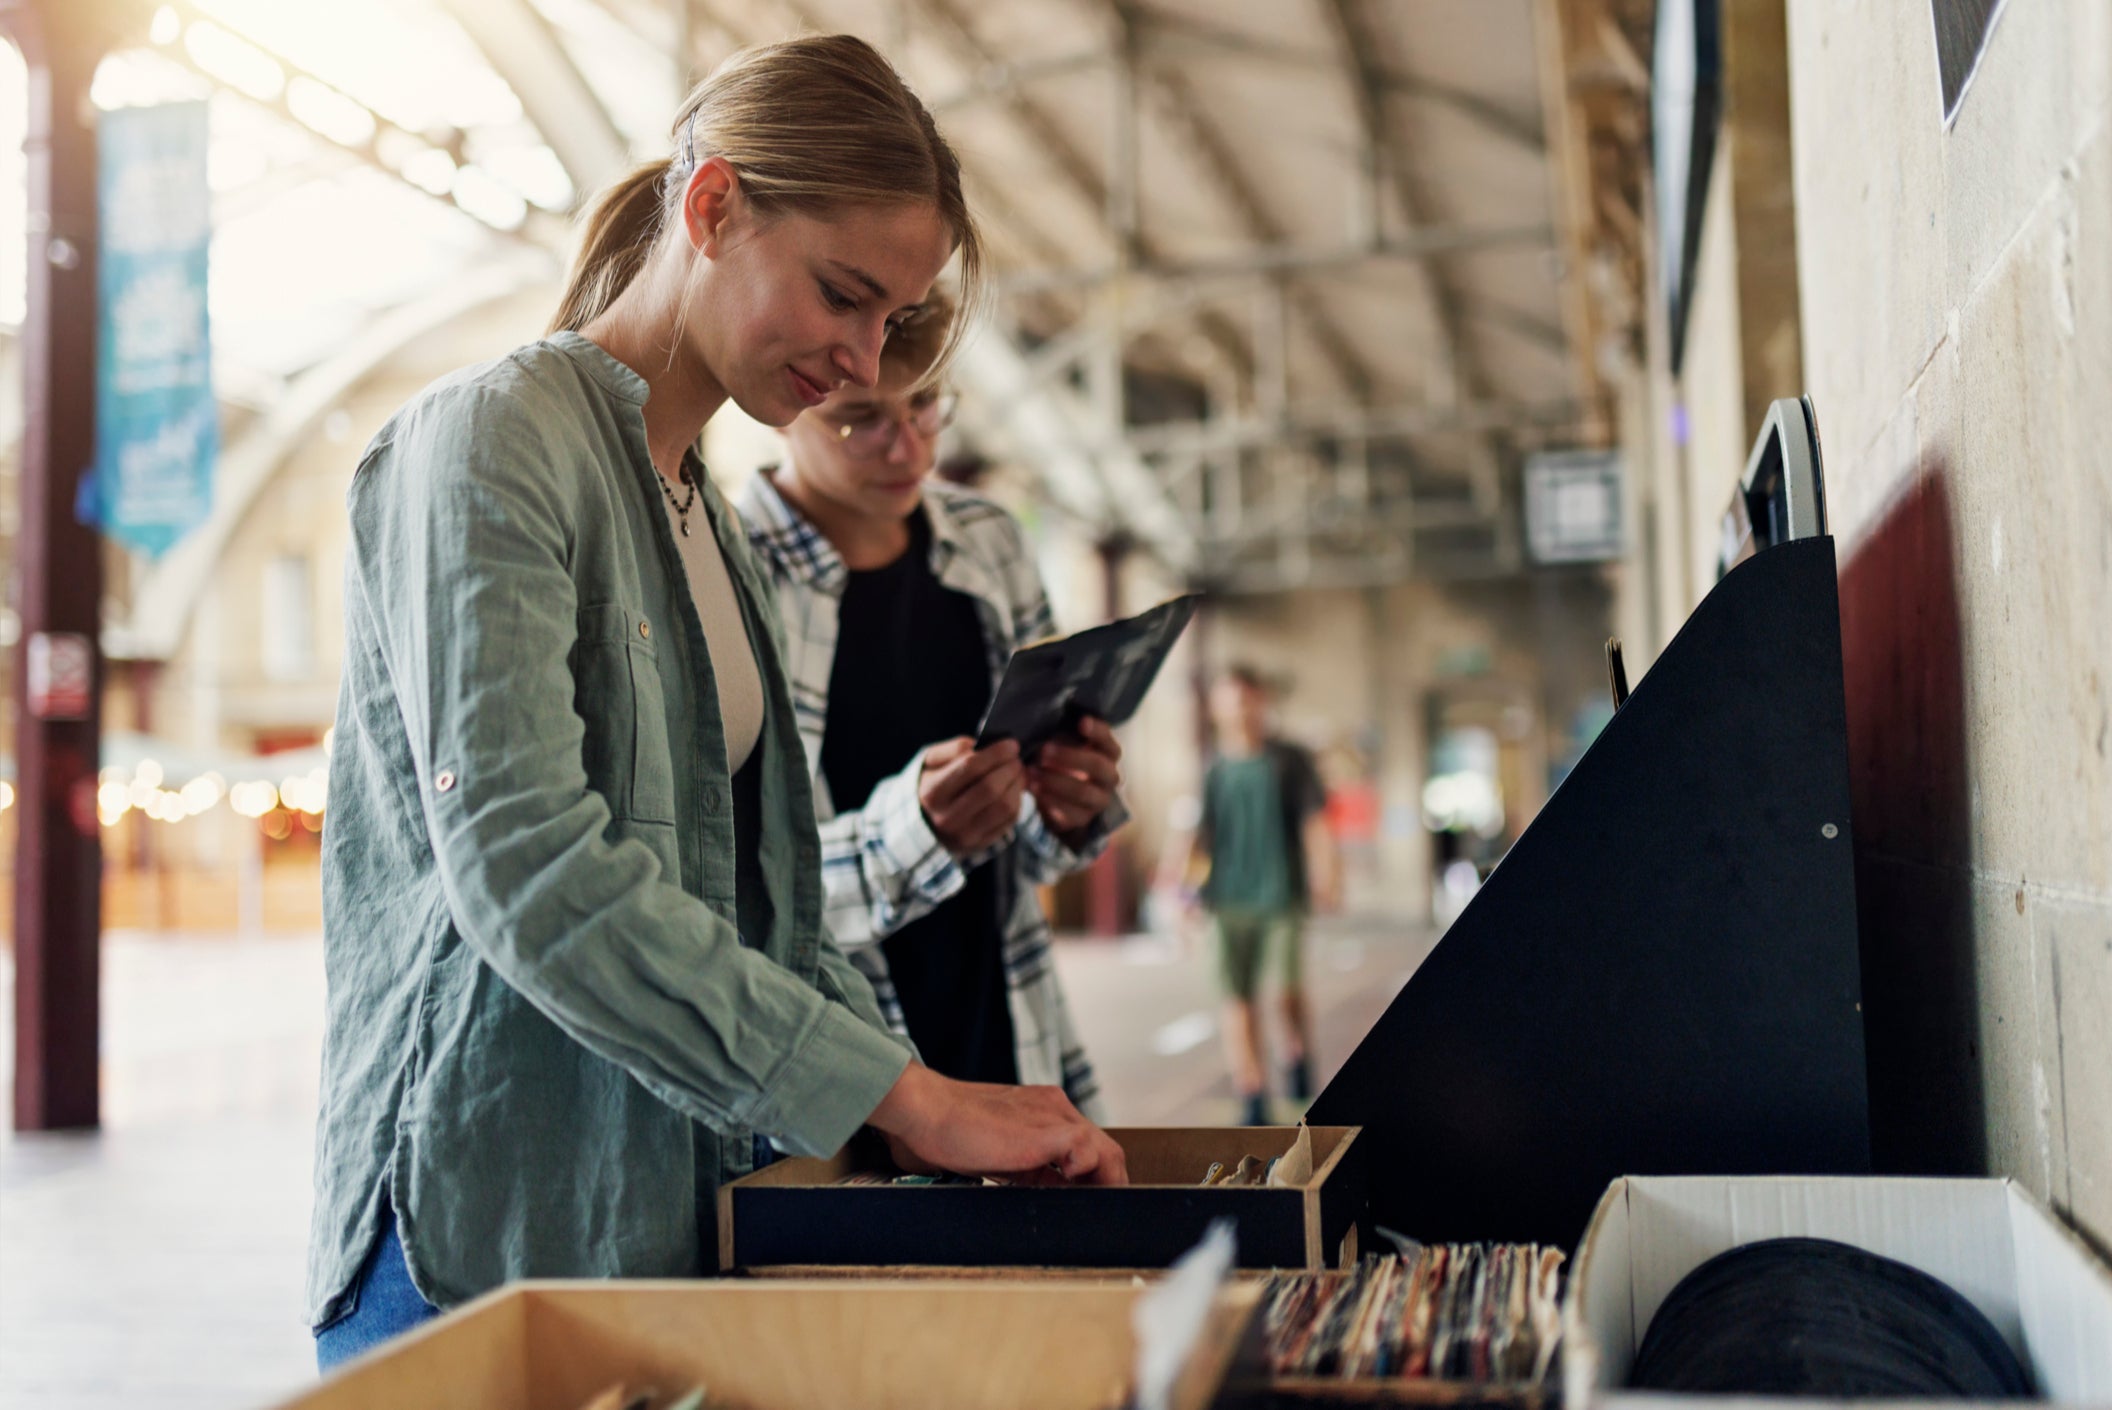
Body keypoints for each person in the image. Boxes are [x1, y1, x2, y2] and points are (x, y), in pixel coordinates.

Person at [309, 35, 1124, 1372]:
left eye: (892, 323)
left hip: (660, 1219)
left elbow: (770, 915)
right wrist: (907, 1097)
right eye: (844, 295)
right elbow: (527, 865)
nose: (863, 359)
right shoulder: (492, 440)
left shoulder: (708, 523)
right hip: (482, 1228)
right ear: (712, 207)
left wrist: (929, 1105)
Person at [738, 291, 1121, 1114]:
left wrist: (1068, 808)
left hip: (1008, 1024)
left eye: (926, 405)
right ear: (780, 408)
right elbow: (736, 900)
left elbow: (1031, 857)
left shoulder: (990, 542)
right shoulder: (727, 578)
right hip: (846, 1075)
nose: (909, 446)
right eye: (861, 421)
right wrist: (914, 837)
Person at [1169, 666, 1342, 1126]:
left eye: (1247, 699)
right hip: (1227, 900)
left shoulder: (1289, 760)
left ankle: (1297, 1055)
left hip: (1281, 897)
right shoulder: (1214, 769)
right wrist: (1183, 895)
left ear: (1261, 701)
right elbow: (1199, 837)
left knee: (1286, 991)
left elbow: (1314, 820)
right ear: (1216, 708)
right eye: (1230, 700)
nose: (1240, 709)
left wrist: (1327, 871)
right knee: (1237, 998)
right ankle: (1252, 1090)